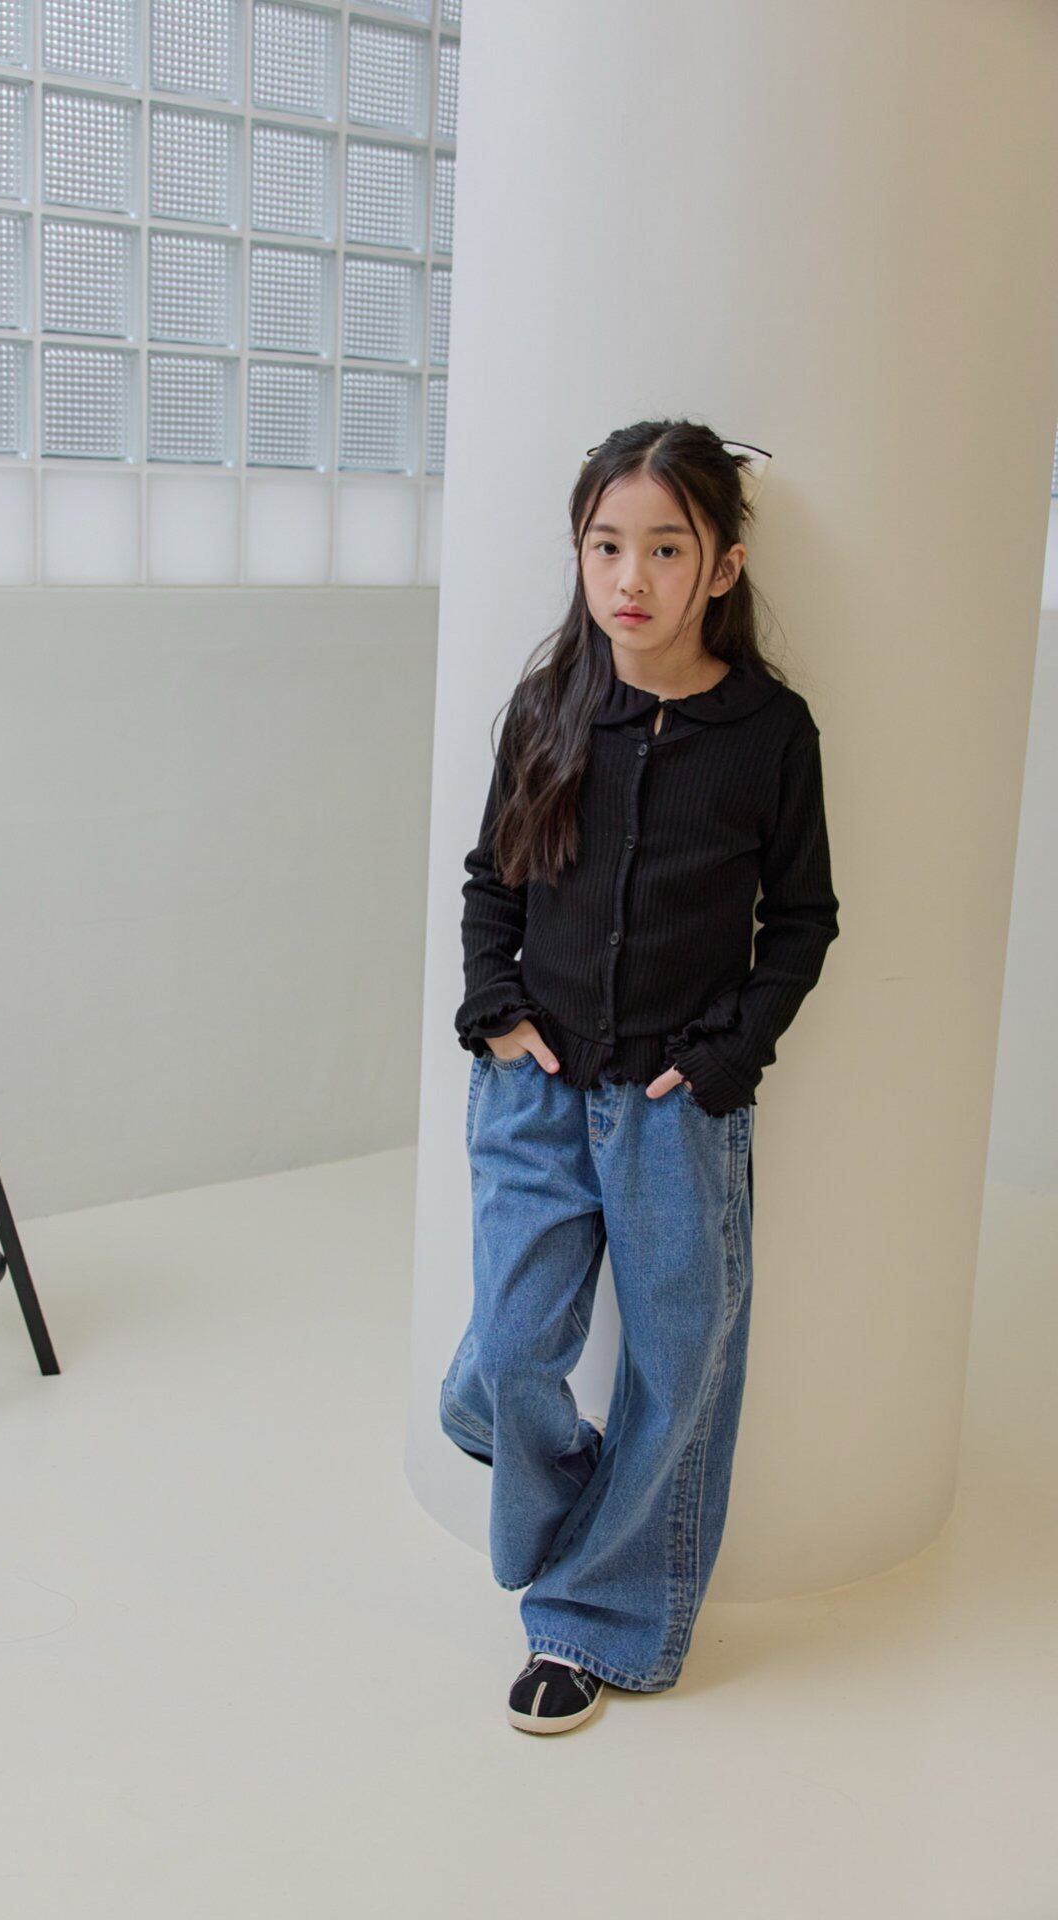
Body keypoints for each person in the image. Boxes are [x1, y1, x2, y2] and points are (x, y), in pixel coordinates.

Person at [440, 418, 840, 1734]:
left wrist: (725, 1060)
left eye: (667, 549)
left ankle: (590, 1624)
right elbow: (493, 881)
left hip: (677, 1109)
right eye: (607, 544)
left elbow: (803, 921)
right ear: (579, 551)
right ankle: (502, 1431)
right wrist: (495, 1011)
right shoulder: (549, 706)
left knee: (677, 1370)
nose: (631, 577)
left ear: (722, 566)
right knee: (515, 1350)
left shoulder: (769, 733)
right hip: (535, 1090)